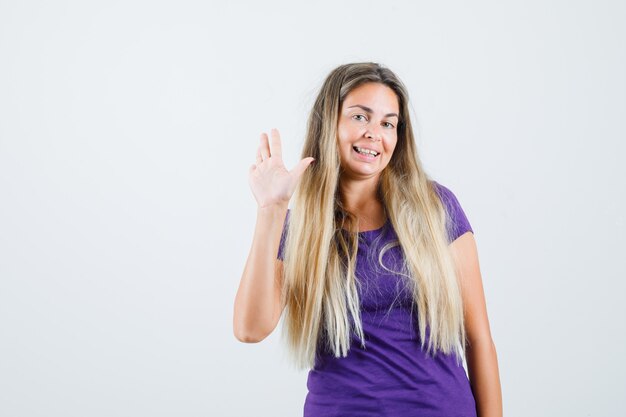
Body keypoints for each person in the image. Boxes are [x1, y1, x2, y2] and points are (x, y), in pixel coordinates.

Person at [233, 62, 502, 417]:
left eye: (388, 123)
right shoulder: (302, 229)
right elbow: (250, 329)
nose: (375, 133)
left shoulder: (436, 208)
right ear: (330, 122)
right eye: (360, 117)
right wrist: (272, 209)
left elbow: (478, 338)